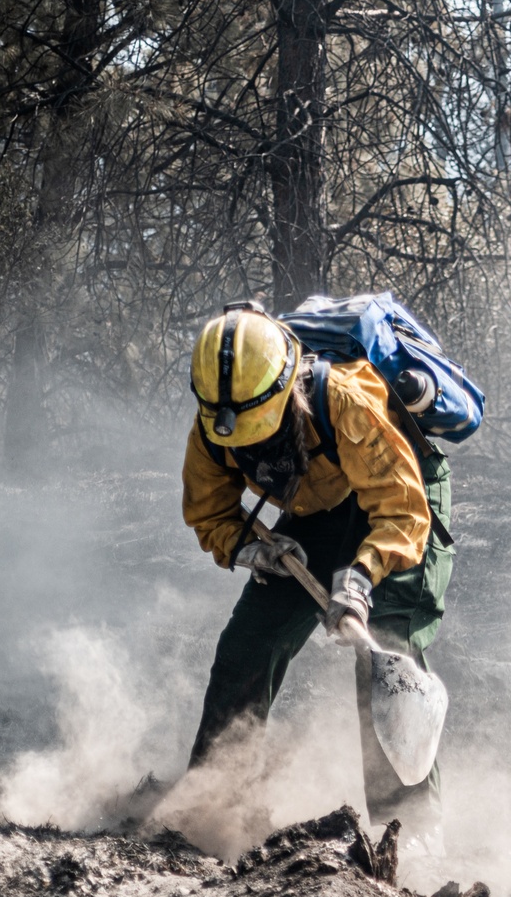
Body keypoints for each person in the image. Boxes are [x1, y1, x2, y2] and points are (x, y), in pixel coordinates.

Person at [182, 299, 453, 843]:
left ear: (289, 389)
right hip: (320, 504)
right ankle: (209, 811)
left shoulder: (345, 399)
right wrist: (247, 548)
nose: (253, 444)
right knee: (248, 644)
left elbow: (400, 511)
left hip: (402, 498)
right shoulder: (215, 422)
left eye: (265, 429)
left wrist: (360, 578)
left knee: (385, 648)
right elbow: (210, 508)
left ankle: (413, 835)